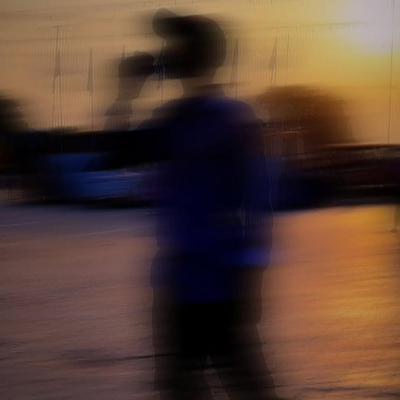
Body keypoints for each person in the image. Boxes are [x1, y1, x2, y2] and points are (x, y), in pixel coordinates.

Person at [125, 9, 281, 400]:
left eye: (176, 46)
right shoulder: (169, 121)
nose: (167, 53)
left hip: (221, 280)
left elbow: (256, 204)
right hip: (177, 280)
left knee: (242, 383)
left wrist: (250, 277)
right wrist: (127, 92)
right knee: (181, 385)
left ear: (202, 53)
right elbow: (115, 155)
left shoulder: (233, 119)